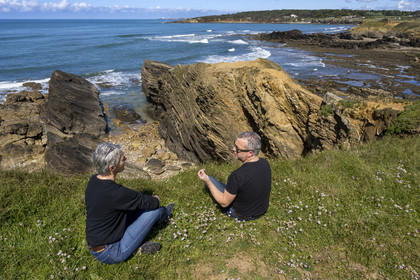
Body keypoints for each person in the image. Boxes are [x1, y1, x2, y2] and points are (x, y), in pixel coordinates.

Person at [85, 142, 175, 264]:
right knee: (156, 210)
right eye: (122, 159)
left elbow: (134, 201)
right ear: (112, 168)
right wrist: (157, 198)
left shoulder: (93, 180)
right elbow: (153, 203)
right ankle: (166, 215)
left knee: (136, 208)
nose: (126, 159)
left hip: (96, 244)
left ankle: (140, 242)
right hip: (111, 252)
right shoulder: (117, 193)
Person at [197, 132, 271, 221]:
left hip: (242, 215)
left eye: (237, 148)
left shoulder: (237, 175)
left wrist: (207, 181)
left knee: (210, 180)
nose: (233, 149)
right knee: (231, 187)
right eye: (234, 145)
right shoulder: (265, 163)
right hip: (261, 211)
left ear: (250, 153)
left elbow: (224, 203)